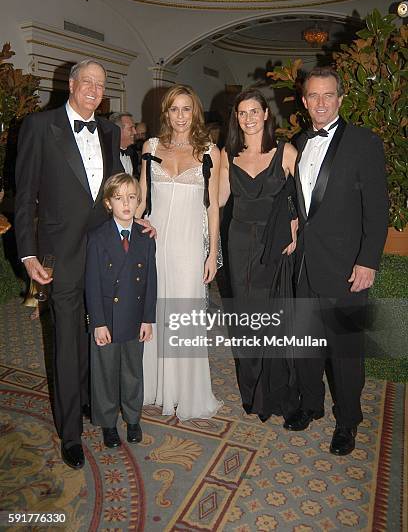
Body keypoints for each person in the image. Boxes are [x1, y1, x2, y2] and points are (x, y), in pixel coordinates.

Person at [14, 59, 152, 470]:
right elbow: (24, 197)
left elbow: (115, 191)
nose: (94, 89)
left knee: (104, 329)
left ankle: (98, 403)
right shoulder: (40, 127)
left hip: (105, 250)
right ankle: (70, 432)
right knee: (69, 342)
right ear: (71, 84)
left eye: (100, 84)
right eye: (86, 82)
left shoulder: (109, 131)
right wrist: (27, 253)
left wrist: (134, 219)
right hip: (60, 256)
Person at [284, 67, 388, 456]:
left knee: (345, 351)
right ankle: (311, 404)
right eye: (314, 96)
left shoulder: (364, 142)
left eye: (329, 95)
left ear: (341, 99)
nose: (321, 103)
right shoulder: (296, 142)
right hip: (305, 265)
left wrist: (368, 261)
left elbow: (377, 209)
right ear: (305, 100)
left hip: (347, 267)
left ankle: (348, 421)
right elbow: (297, 203)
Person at [137, 84, 222, 420]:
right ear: (166, 113)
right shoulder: (151, 146)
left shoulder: (209, 151)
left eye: (187, 109)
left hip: (188, 246)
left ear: (195, 112)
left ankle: (185, 393)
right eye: (175, 109)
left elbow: (213, 206)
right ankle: (154, 387)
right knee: (153, 312)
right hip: (153, 243)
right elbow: (142, 199)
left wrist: (211, 253)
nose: (181, 116)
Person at [219, 88, 299, 422]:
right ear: (236, 118)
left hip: (276, 241)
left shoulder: (287, 151)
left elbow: (298, 199)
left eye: (255, 111)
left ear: (266, 114)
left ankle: (277, 393)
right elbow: (219, 200)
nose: (249, 118)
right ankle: (252, 391)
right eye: (242, 113)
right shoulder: (228, 154)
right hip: (239, 242)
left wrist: (294, 231)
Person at [85, 173, 156, 448]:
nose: (126, 203)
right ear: (107, 203)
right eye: (118, 198)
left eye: (131, 197)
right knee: (104, 372)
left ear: (139, 201)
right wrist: (98, 323)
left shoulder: (146, 237)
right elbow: (91, 284)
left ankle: (133, 417)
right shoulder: (97, 237)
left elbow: (151, 281)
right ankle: (107, 422)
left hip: (135, 317)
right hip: (107, 318)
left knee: (132, 370)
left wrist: (148, 318)